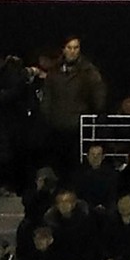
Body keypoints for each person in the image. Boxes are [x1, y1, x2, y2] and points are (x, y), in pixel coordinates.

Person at [42, 37, 106, 170]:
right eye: (69, 48)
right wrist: (47, 118)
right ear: (63, 50)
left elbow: (99, 96)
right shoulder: (54, 71)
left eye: (76, 48)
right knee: (57, 166)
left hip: (79, 128)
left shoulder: (89, 71)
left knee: (78, 166)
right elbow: (47, 97)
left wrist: (95, 115)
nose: (72, 51)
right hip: (56, 127)